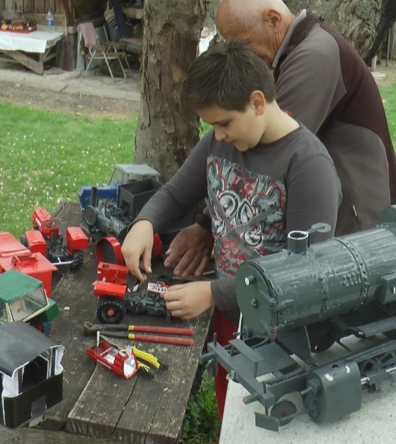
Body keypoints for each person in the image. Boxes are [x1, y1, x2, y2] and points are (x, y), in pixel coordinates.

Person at [120, 40, 340, 416]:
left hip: (280, 333)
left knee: (261, 415)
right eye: (212, 125)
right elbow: (175, 194)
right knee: (230, 410)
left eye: (223, 122)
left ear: (257, 102)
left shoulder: (308, 164)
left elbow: (304, 273)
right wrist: (144, 222)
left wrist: (213, 293)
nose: (218, 134)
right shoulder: (218, 144)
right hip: (231, 310)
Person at [163, 0, 396, 279]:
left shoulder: (313, 57)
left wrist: (207, 226)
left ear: (274, 21)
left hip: (361, 223)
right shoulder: (297, 49)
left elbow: (258, 151)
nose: (239, 54)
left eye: (241, 42)